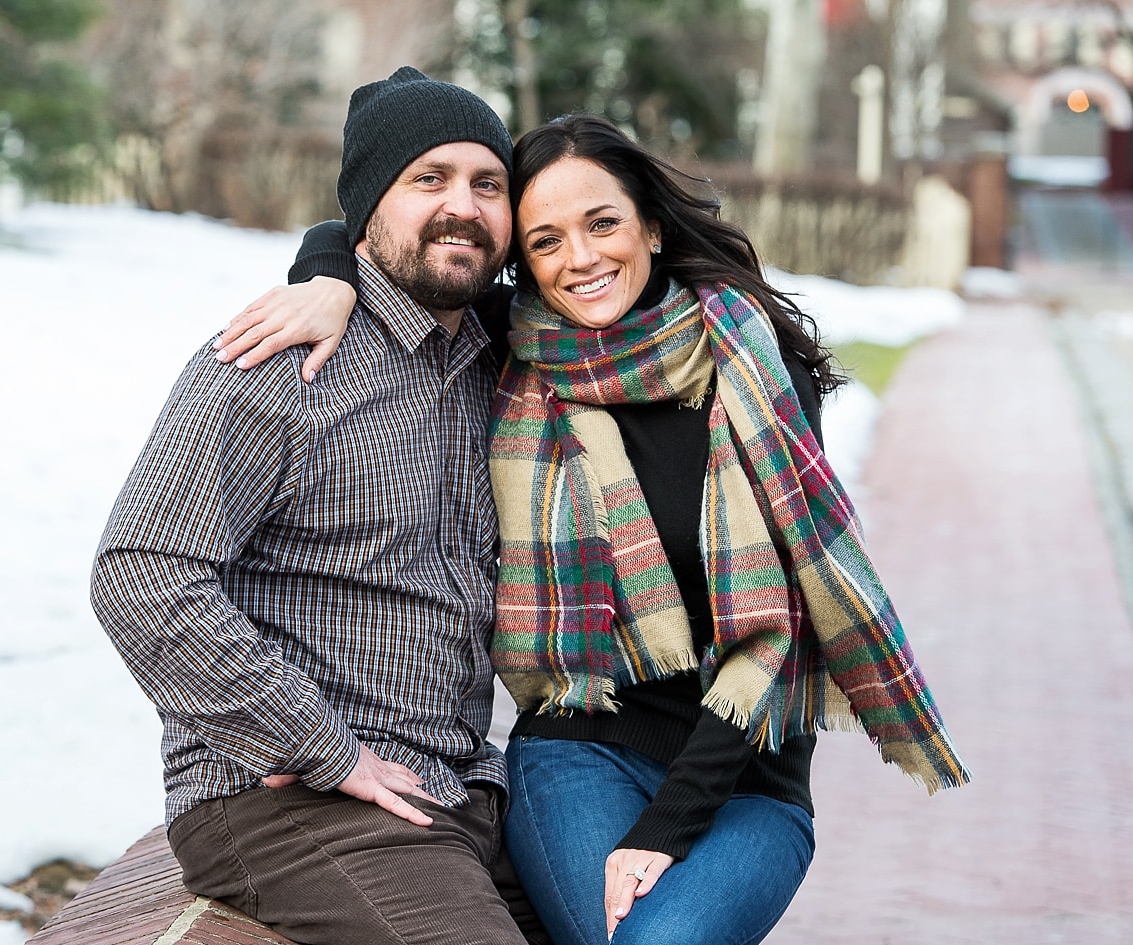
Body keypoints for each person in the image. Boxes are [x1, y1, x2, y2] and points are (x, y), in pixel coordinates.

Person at [218, 113, 970, 945]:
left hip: (744, 779)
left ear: (649, 223)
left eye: (602, 222)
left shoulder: (757, 370)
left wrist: (668, 826)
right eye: (545, 240)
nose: (581, 258)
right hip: (578, 750)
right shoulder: (521, 346)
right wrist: (328, 273)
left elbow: (784, 628)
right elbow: (401, 235)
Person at [90, 66, 553, 945]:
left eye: (487, 184)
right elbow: (141, 575)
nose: (464, 205)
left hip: (456, 786)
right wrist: (317, 747)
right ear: (368, 205)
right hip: (285, 797)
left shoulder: (502, 360)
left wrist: (329, 261)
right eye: (430, 179)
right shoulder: (279, 363)